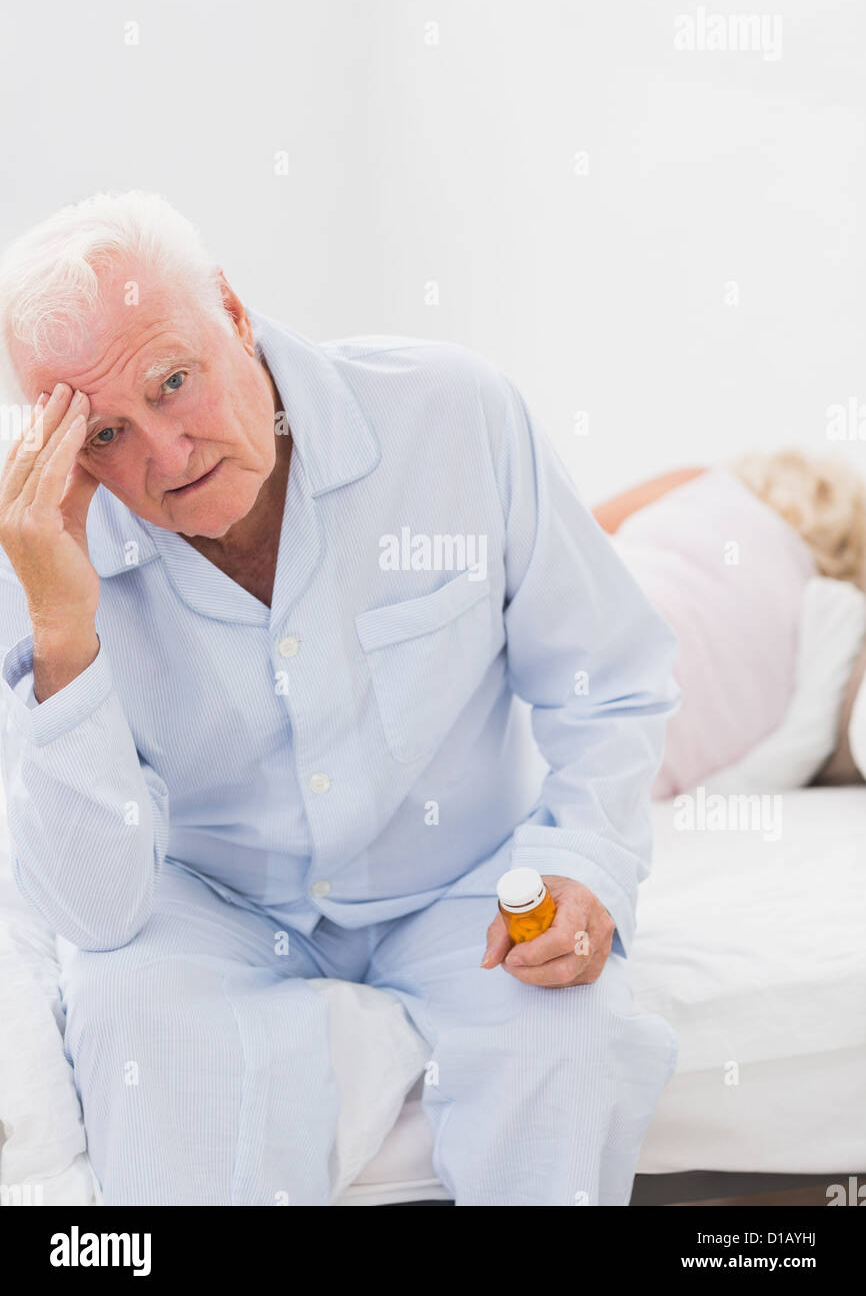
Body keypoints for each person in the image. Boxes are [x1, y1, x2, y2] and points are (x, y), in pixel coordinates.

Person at [0, 189, 680, 1207]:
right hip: (211, 903)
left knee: (574, 1040)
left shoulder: (454, 415)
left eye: (173, 382)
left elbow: (610, 679)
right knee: (127, 1015)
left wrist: (583, 861)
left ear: (232, 310)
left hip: (464, 883)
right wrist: (62, 629)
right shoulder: (45, 543)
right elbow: (95, 915)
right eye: (102, 436)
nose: (165, 457)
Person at [591, 453, 866, 797]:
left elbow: (563, 534)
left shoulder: (701, 485)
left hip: (563, 626)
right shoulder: (813, 663)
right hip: (597, 767)